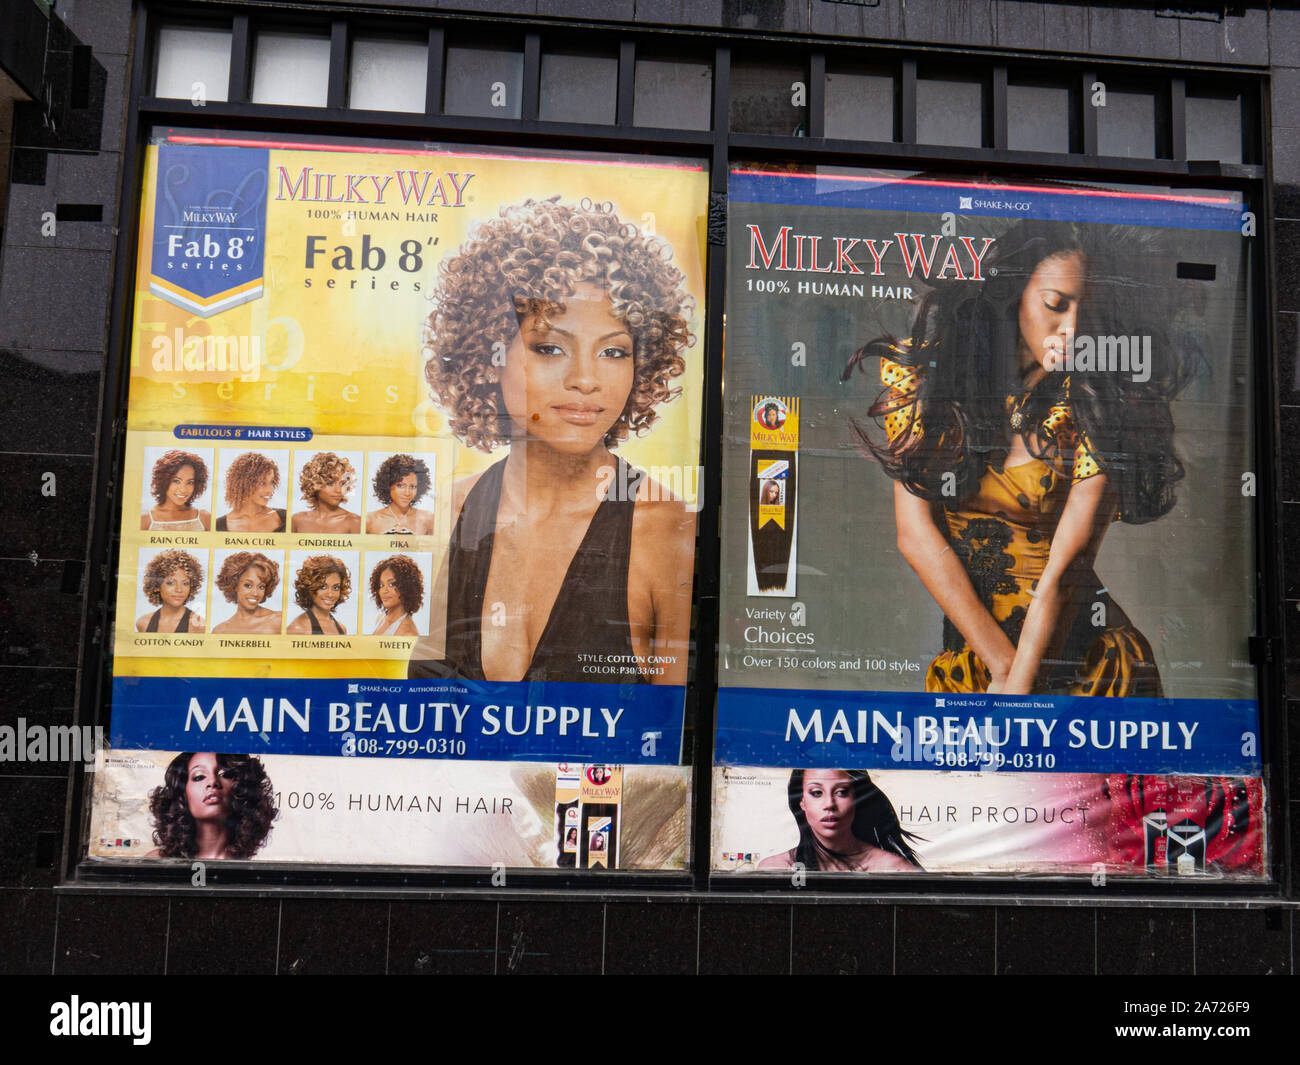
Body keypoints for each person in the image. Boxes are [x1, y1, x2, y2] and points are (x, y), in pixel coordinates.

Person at [844, 220, 1184, 696]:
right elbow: (915, 535)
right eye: (1055, 305)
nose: (1071, 330)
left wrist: (1018, 695)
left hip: (1090, 671)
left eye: (1087, 312)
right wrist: (1001, 666)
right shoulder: (933, 383)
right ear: (1014, 294)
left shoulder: (1099, 405)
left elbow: (1068, 570)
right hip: (979, 664)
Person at [410, 197, 697, 685]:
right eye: (549, 347)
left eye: (612, 351)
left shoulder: (666, 532)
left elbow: (675, 749)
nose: (585, 380)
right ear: (488, 354)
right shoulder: (445, 517)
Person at [757, 769, 921, 872]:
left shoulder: (893, 869)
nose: (829, 804)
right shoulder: (775, 868)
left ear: (856, 798)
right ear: (802, 802)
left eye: (841, 792)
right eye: (816, 793)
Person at [145, 751, 277, 859]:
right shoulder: (156, 862)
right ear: (183, 795)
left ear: (242, 789)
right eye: (199, 777)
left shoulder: (252, 872)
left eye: (225, 774)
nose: (213, 782)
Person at [135, 549, 206, 633]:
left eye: (185, 583)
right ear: (157, 585)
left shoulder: (198, 626)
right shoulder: (143, 623)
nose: (179, 590)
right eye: (170, 583)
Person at [211, 551, 282, 634]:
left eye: (261, 587)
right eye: (248, 585)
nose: (255, 593)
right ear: (235, 585)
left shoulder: (278, 620)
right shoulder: (220, 631)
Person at [140, 450, 210, 531]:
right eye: (176, 481)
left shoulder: (204, 518)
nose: (183, 490)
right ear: (164, 480)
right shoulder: (145, 519)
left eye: (190, 482)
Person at [366, 454, 436, 535]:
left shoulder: (428, 519)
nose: (407, 493)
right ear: (388, 485)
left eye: (413, 486)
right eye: (401, 486)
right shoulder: (370, 520)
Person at [216, 452, 285, 533]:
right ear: (244, 484)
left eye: (272, 482)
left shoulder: (284, 517)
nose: (270, 490)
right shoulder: (218, 525)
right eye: (262, 483)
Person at [292, 452, 361, 533]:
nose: (338, 490)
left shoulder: (354, 522)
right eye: (330, 483)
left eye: (342, 484)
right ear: (315, 484)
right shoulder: (297, 520)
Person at [286, 555, 351, 636]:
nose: (330, 594)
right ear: (309, 587)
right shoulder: (298, 629)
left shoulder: (342, 629)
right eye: (323, 587)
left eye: (335, 587)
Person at [370, 554, 422, 636]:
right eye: (381, 585)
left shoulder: (408, 633)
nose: (384, 591)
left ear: (406, 587)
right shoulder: (380, 618)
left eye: (391, 584)